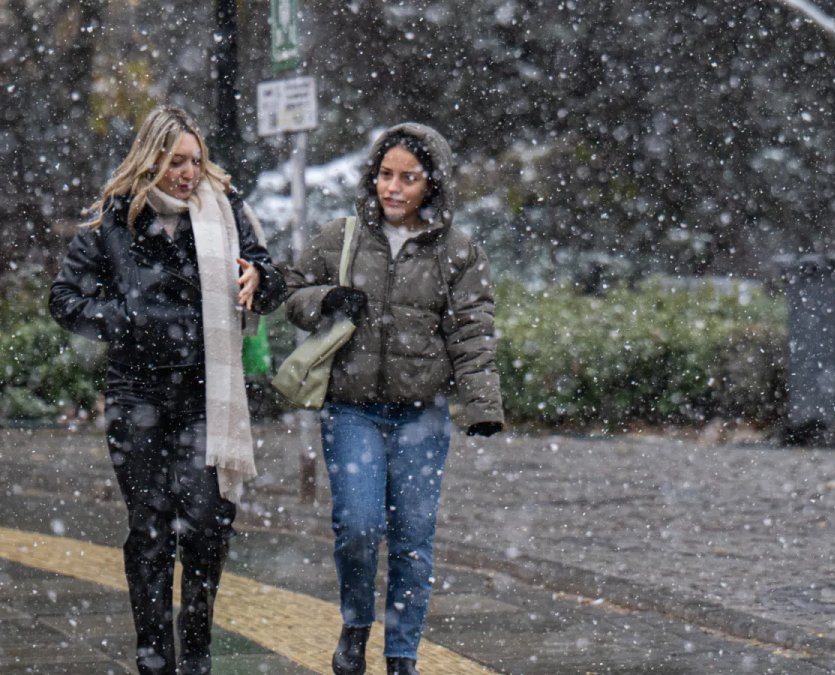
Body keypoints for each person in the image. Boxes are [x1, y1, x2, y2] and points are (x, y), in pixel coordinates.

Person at [48, 105, 286, 675]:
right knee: (150, 530)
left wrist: (262, 279)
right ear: (150, 158)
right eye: (176, 161)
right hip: (137, 397)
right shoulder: (115, 219)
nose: (187, 172)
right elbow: (65, 299)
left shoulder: (224, 212)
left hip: (207, 393)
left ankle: (197, 656)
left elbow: (270, 281)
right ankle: (154, 659)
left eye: (195, 160)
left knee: (207, 526)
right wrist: (126, 318)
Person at [285, 123, 503, 675]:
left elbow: (472, 332)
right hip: (352, 410)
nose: (394, 188)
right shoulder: (341, 237)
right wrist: (325, 298)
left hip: (421, 420)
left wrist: (482, 406)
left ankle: (402, 657)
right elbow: (287, 293)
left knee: (411, 540)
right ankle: (356, 623)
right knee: (357, 528)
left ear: (433, 184)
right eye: (386, 174)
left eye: (409, 177)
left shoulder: (457, 251)